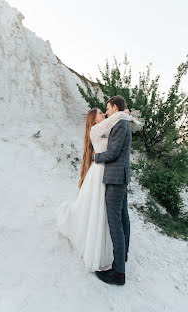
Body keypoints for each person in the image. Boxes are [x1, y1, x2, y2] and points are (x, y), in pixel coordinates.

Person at [57, 95, 142, 282]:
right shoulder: (106, 126)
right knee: (118, 218)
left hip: (113, 176)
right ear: (94, 119)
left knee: (116, 221)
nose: (106, 112)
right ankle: (122, 257)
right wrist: (124, 114)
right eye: (102, 112)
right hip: (109, 175)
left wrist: (96, 158)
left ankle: (119, 270)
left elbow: (112, 152)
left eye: (107, 109)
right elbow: (112, 138)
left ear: (114, 106)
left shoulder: (119, 123)